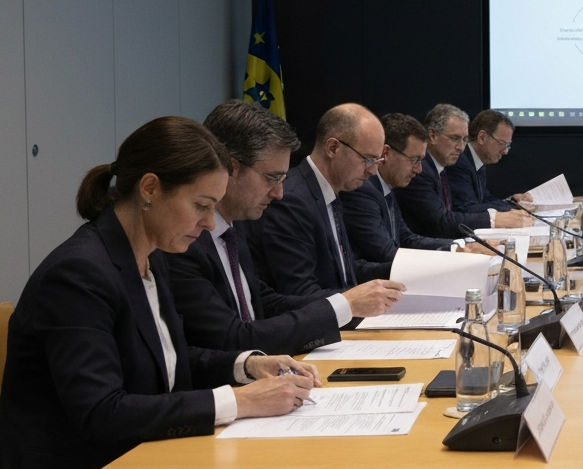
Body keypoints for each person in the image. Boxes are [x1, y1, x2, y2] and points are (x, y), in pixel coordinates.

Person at [0, 117, 319, 469]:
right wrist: (237, 400)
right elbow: (102, 413)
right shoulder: (78, 275)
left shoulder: (151, 258)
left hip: (147, 461)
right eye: (201, 205)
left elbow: (168, 361)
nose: (210, 223)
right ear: (150, 188)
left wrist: (245, 366)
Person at [166, 101, 405, 355]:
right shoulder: (186, 241)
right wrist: (344, 305)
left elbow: (263, 301)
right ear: (231, 168)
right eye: (271, 178)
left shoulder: (232, 229)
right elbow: (232, 338)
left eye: (282, 179)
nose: (279, 193)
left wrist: (348, 304)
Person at [245, 103, 399, 297]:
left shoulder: (332, 191)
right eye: (367, 159)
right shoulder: (291, 200)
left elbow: (344, 272)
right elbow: (300, 291)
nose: (373, 171)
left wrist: (404, 271)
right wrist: (354, 303)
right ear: (333, 148)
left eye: (377, 162)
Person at [343, 112, 455, 281]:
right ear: (386, 153)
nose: (419, 170)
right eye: (415, 160)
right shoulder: (362, 190)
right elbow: (386, 253)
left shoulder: (387, 185)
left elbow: (406, 238)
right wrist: (451, 261)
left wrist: (457, 248)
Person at [397, 105, 531, 238]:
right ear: (432, 136)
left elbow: (483, 199)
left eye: (464, 139)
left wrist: (510, 204)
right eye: (455, 138)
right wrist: (496, 218)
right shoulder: (422, 171)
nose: (461, 147)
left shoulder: (440, 168)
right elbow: (444, 221)